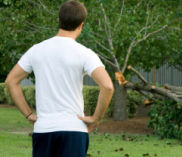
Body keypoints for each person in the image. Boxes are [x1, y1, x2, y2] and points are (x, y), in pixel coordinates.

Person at [5, 1, 114, 156]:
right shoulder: (85, 53)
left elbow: (11, 81)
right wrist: (96, 118)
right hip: (73, 130)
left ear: (58, 20)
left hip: (43, 130)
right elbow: (108, 86)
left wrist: (28, 115)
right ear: (81, 25)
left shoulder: (36, 50)